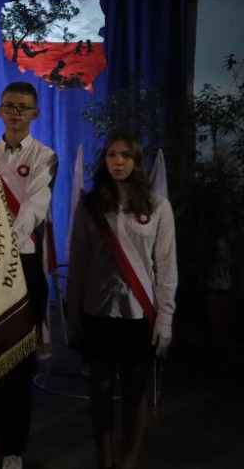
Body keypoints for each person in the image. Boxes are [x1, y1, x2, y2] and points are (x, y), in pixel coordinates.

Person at [66, 134, 177, 469]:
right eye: (112, 155)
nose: (118, 161)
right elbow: (79, 262)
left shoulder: (158, 206)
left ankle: (128, 462)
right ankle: (104, 460)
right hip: (97, 310)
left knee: (133, 391)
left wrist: (166, 317)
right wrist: (73, 315)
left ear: (137, 161)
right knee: (100, 390)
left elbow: (166, 266)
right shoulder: (90, 206)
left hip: (137, 314)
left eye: (126, 155)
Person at [0, 81, 57, 469]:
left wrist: (4, 245)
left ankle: (15, 450)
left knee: (19, 365)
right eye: (10, 106)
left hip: (23, 265)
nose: (16, 113)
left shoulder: (45, 157)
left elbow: (34, 207)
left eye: (24, 108)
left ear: (35, 114)